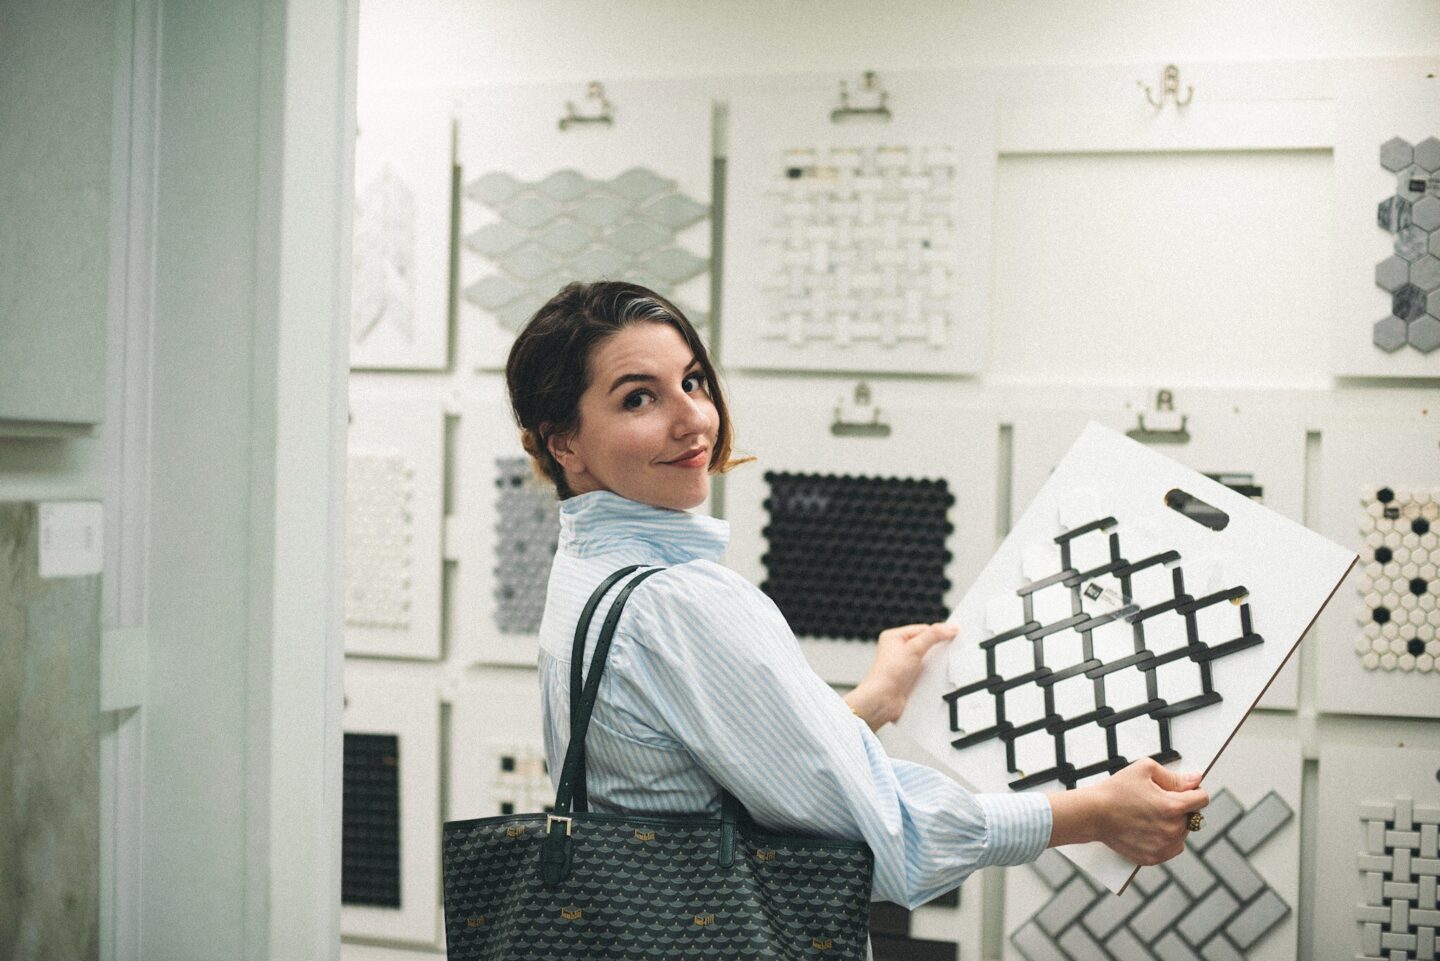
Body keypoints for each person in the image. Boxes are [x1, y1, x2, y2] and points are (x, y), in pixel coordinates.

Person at [505, 280, 1209, 911]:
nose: (694, 419)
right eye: (639, 398)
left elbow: (693, 780)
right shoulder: (680, 602)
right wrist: (1091, 813)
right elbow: (884, 841)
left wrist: (865, 706)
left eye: (692, 381)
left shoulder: (586, 570)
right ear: (563, 442)